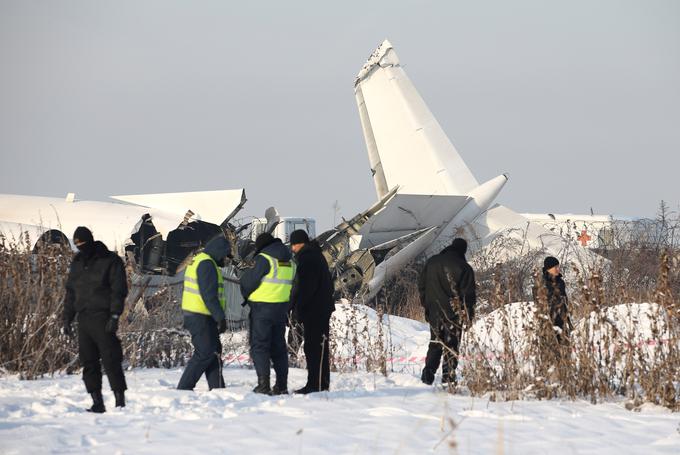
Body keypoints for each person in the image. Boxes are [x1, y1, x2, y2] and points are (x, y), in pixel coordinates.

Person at [63, 226, 128, 413]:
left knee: (111, 360)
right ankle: (97, 401)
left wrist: (115, 315)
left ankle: (119, 401)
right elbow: (71, 293)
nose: (80, 247)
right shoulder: (77, 263)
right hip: (83, 319)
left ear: (90, 240)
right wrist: (67, 318)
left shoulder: (110, 260)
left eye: (82, 243)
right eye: (77, 245)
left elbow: (119, 290)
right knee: (88, 362)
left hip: (104, 317)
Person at [240, 233, 294, 395]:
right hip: (281, 309)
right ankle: (281, 385)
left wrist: (247, 295)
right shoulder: (290, 261)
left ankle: (263, 385)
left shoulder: (264, 259)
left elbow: (248, 282)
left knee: (260, 347)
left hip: (262, 309)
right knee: (278, 348)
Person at [418, 238, 476, 387]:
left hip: (434, 311)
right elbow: (468, 296)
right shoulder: (464, 267)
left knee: (435, 342)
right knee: (452, 345)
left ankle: (428, 374)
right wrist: (468, 316)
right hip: (454, 315)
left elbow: (422, 286)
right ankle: (448, 376)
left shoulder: (432, 262)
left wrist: (427, 306)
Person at [177, 235, 231, 391]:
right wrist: (220, 318)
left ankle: (218, 389)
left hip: (201, 315)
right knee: (205, 352)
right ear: (218, 252)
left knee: (214, 352)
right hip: (200, 315)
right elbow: (209, 295)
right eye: (225, 256)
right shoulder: (207, 264)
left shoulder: (202, 260)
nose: (226, 260)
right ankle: (184, 389)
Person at [288, 229, 335, 394]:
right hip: (322, 308)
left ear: (299, 244)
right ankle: (322, 383)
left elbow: (305, 288)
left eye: (293, 245)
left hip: (314, 310)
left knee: (313, 348)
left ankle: (314, 385)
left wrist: (298, 310)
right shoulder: (317, 255)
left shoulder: (307, 259)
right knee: (321, 347)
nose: (292, 249)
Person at [533, 256, 570, 341]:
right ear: (548, 268)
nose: (558, 269)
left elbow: (564, 300)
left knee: (565, 347)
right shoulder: (541, 283)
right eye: (555, 267)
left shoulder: (561, 282)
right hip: (548, 322)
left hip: (562, 320)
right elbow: (539, 304)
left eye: (558, 267)